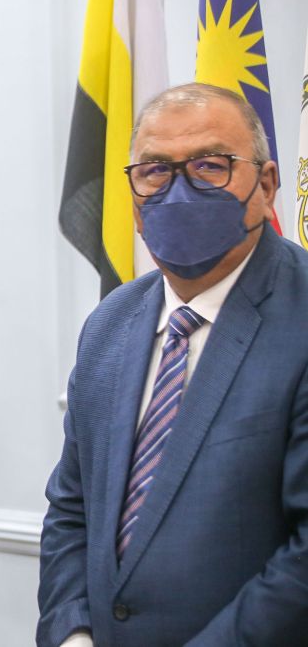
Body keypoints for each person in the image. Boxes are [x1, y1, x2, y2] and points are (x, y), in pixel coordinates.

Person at [38, 83, 308, 646]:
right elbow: (72, 509)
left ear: (265, 185)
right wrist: (73, 634)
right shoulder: (110, 323)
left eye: (210, 165)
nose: (179, 190)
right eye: (155, 171)